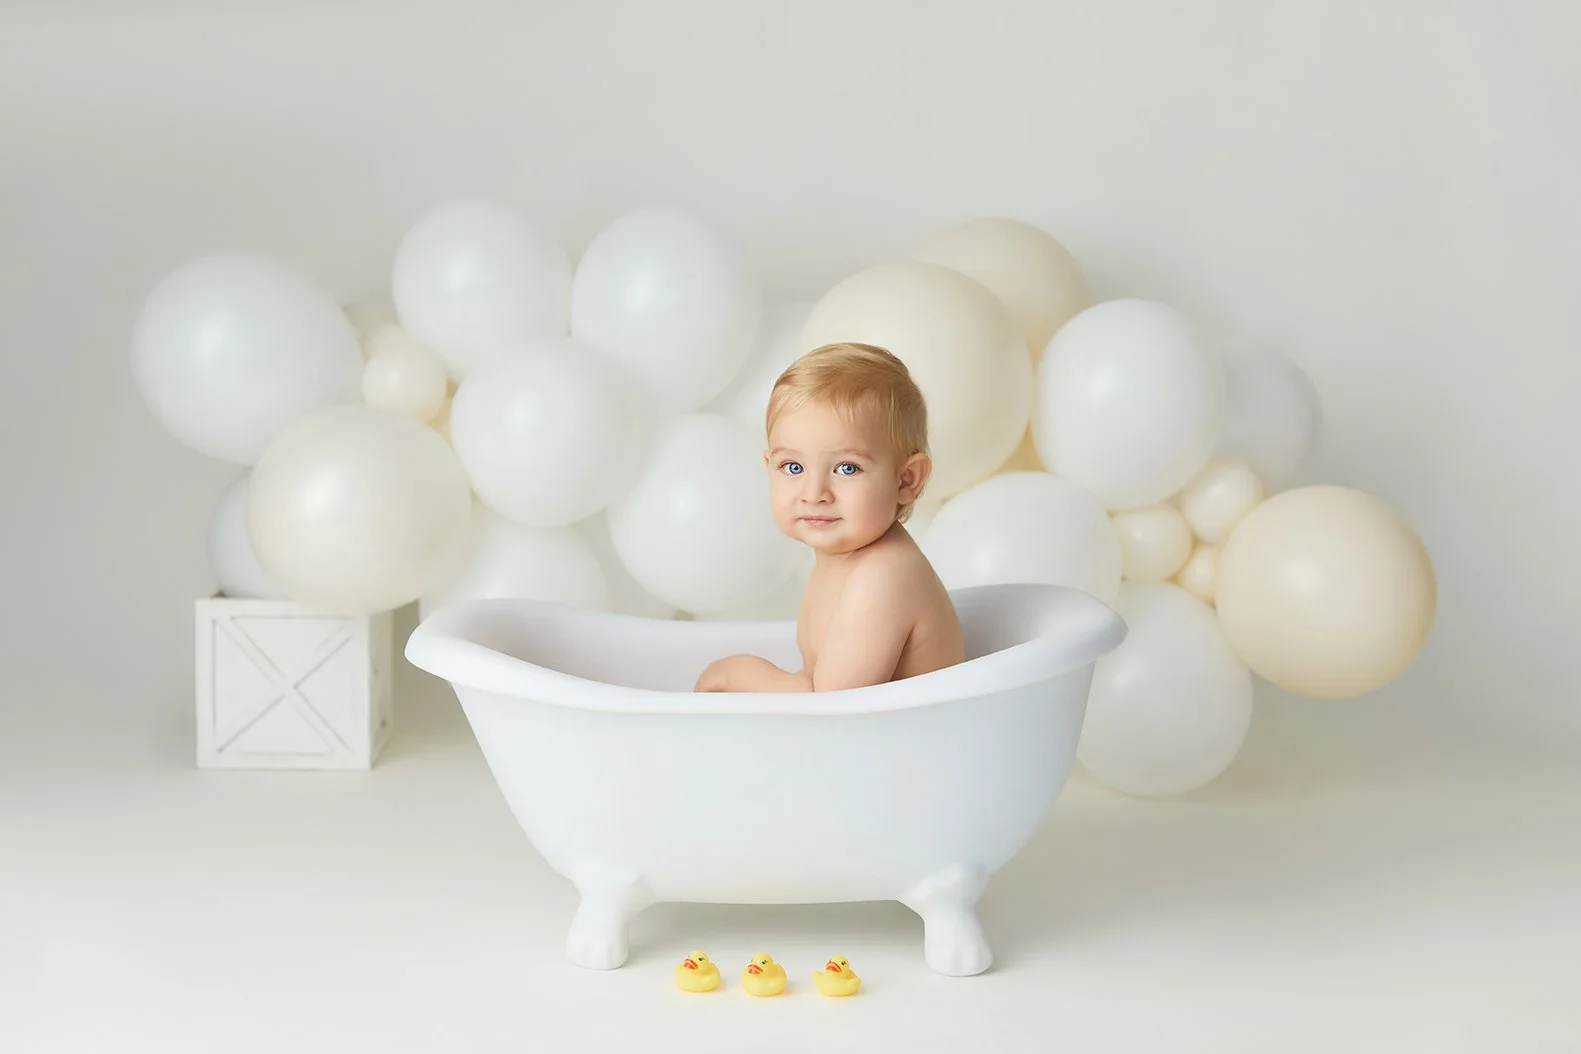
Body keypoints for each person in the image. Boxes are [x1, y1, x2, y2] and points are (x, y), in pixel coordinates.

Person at [693, 342, 965, 693]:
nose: (814, 492)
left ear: (906, 479)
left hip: (908, 745)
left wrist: (733, 673)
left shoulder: (885, 576)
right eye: (793, 467)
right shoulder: (844, 559)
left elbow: (829, 707)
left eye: (847, 468)